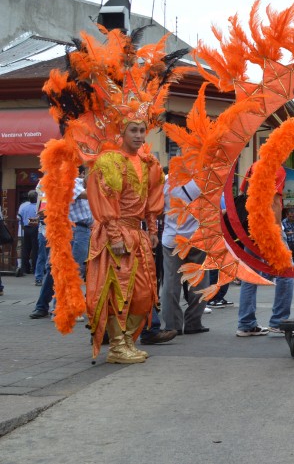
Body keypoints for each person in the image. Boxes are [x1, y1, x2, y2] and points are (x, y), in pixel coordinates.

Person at [85, 120, 165, 363]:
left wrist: (151, 229)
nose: (139, 136)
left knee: (144, 293)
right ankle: (117, 346)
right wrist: (115, 235)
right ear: (121, 132)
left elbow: (152, 199)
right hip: (115, 234)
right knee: (116, 291)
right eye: (133, 130)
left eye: (142, 131)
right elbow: (105, 201)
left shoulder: (148, 164)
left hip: (137, 235)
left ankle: (128, 339)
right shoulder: (109, 162)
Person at [237, 166, 294, 337]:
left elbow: (244, 194)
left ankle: (246, 323)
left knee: (250, 273)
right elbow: (275, 202)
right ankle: (279, 322)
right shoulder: (277, 170)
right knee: (286, 272)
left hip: (251, 225)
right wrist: (276, 233)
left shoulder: (252, 167)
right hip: (268, 227)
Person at [29, 166, 92, 319]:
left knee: (62, 269)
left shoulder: (75, 181)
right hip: (75, 231)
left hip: (78, 231)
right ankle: (61, 309)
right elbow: (84, 195)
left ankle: (55, 307)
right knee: (70, 269)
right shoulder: (69, 181)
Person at [161, 178, 207, 335]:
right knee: (199, 284)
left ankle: (172, 325)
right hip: (197, 238)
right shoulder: (202, 181)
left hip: (172, 239)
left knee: (171, 284)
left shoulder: (165, 182)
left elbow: (157, 209)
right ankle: (193, 322)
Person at [16, 191, 39, 279]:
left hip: (25, 229)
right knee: (35, 248)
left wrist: (26, 221)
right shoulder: (37, 208)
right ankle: (34, 268)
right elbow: (38, 218)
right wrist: (32, 221)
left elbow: (19, 217)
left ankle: (25, 268)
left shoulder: (24, 207)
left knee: (26, 248)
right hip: (34, 228)